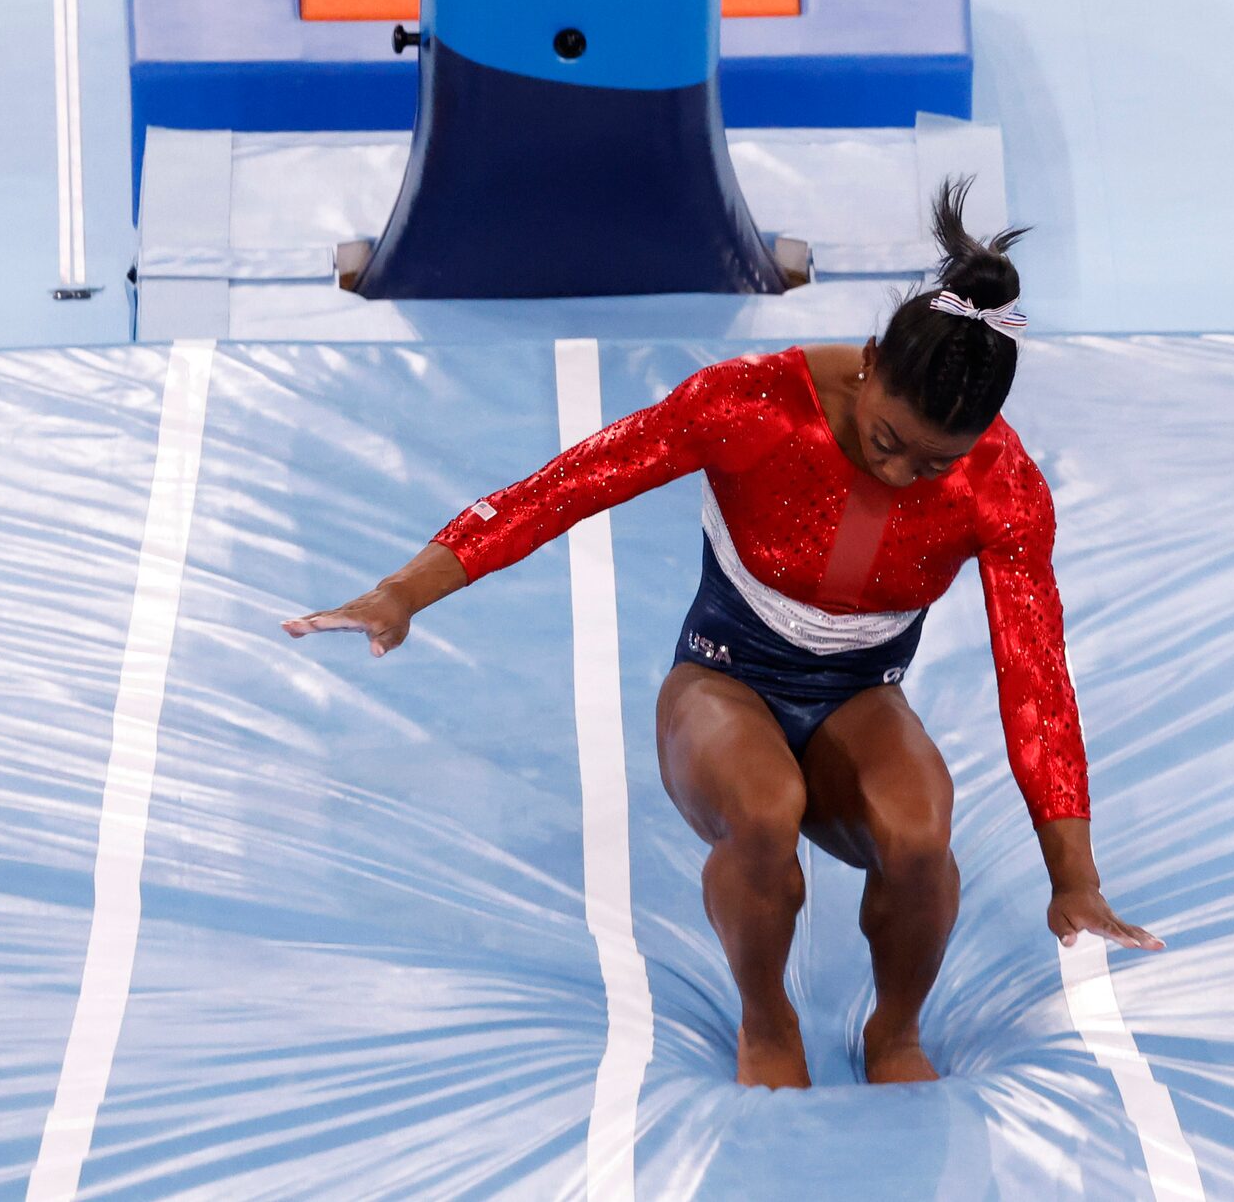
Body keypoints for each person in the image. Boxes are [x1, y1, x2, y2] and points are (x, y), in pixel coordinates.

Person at [285, 181, 1159, 1089]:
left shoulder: (1001, 487)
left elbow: (1037, 678)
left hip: (859, 696)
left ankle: (894, 1031)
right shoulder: (754, 405)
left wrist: (1074, 874)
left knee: (921, 833)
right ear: (867, 364)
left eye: (935, 462)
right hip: (722, 679)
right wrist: (405, 590)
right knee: (762, 805)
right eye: (887, 439)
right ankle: (766, 1015)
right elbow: (568, 485)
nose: (901, 475)